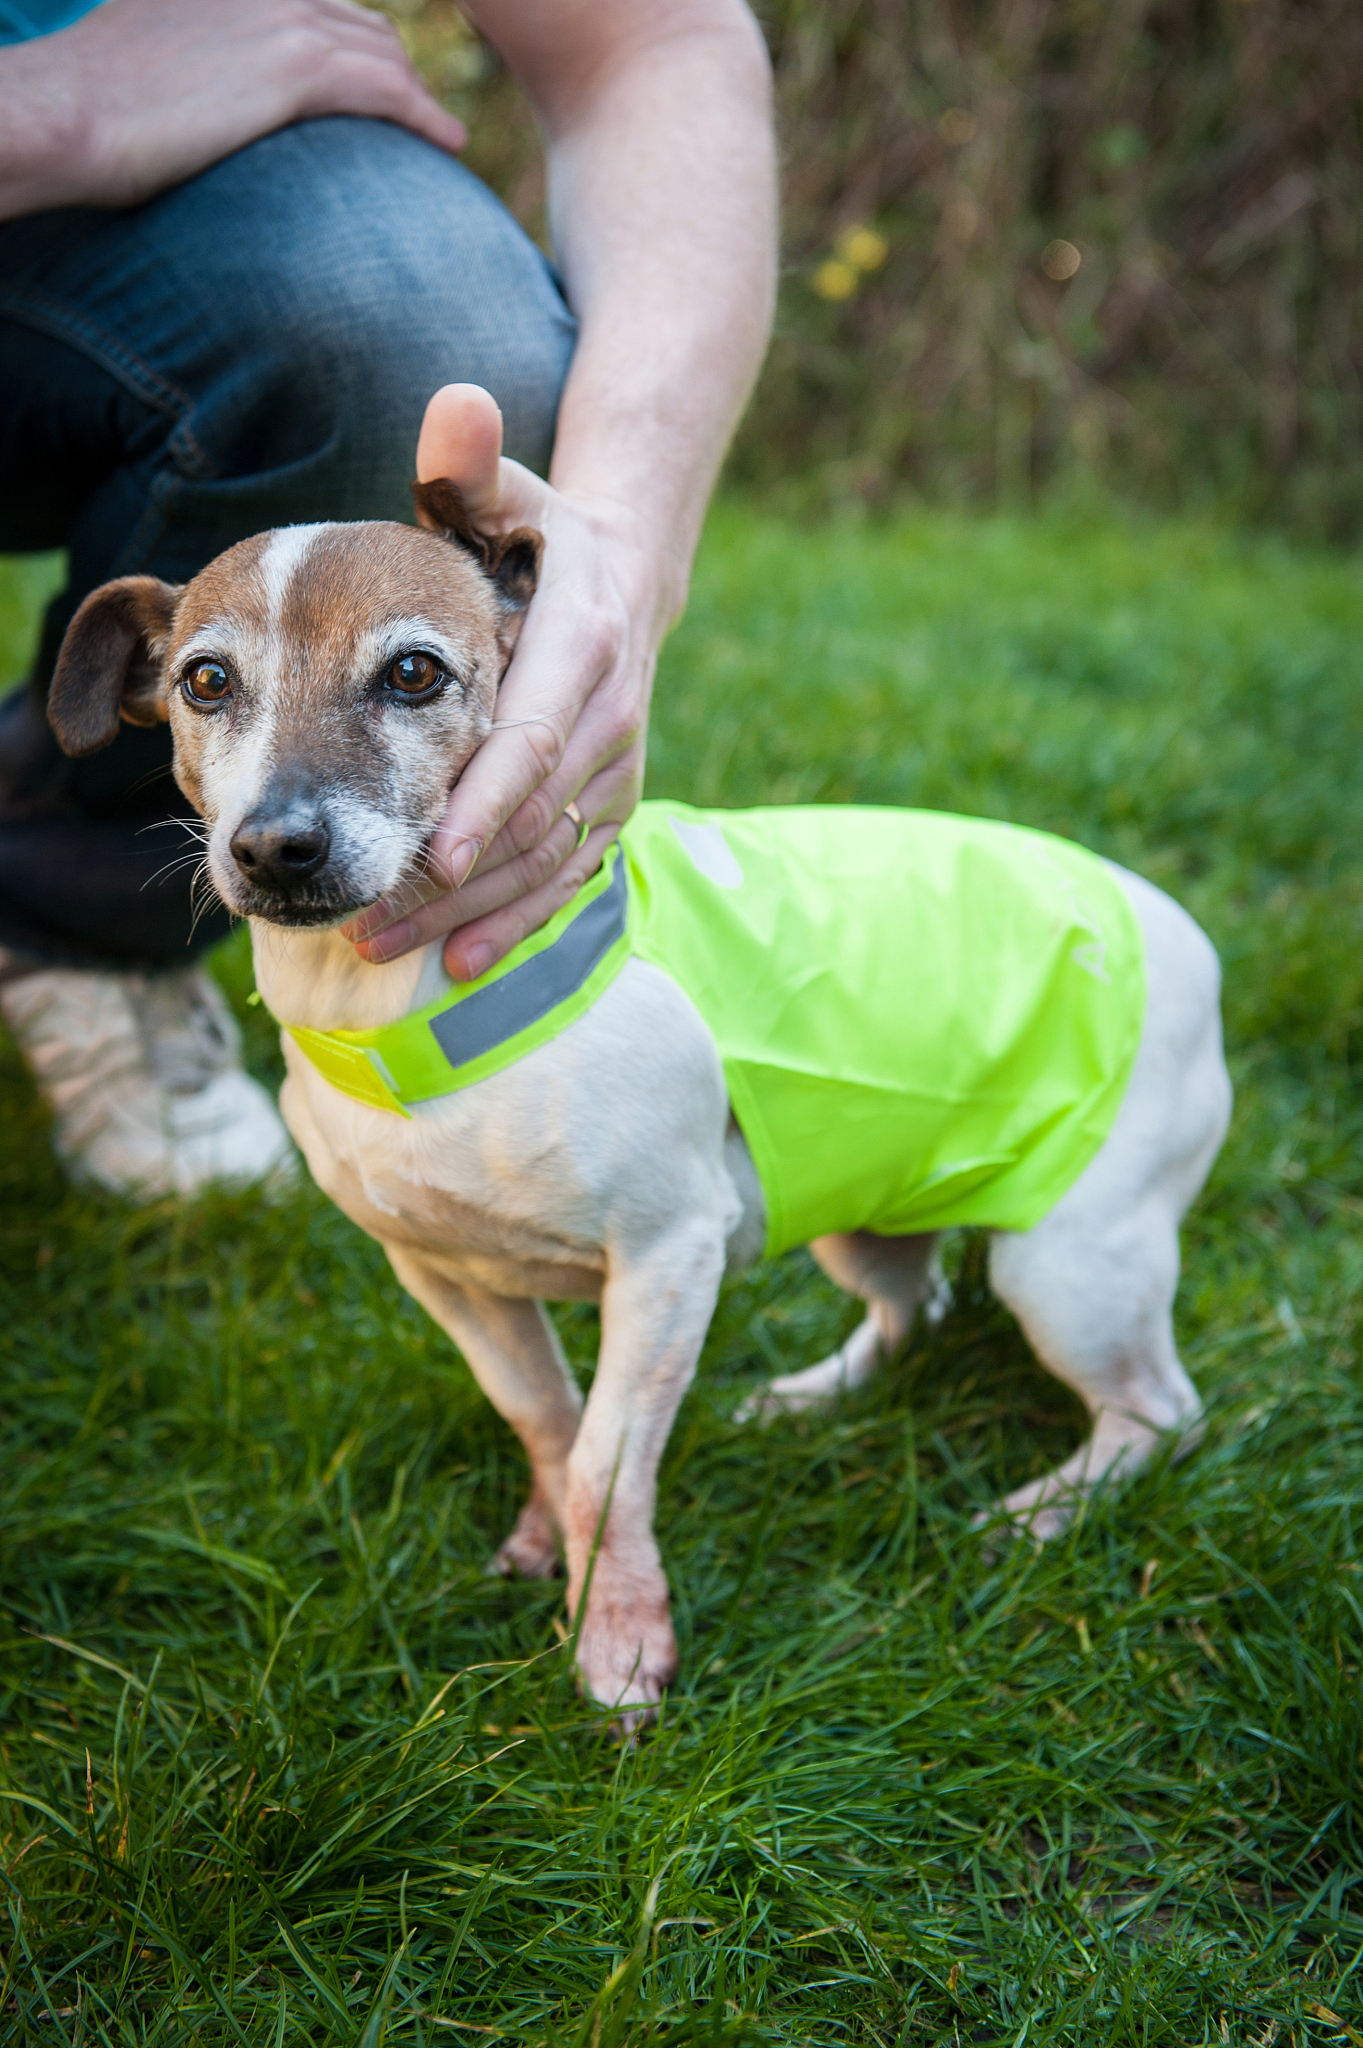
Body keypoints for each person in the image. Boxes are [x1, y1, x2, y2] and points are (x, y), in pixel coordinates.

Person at [0, 0, 777, 1194]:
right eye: (210, 681)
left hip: (160, 204)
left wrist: (615, 549)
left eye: (411, 672)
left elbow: (653, 35)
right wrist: (46, 109)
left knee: (408, 326)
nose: (283, 820)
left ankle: (80, 917)